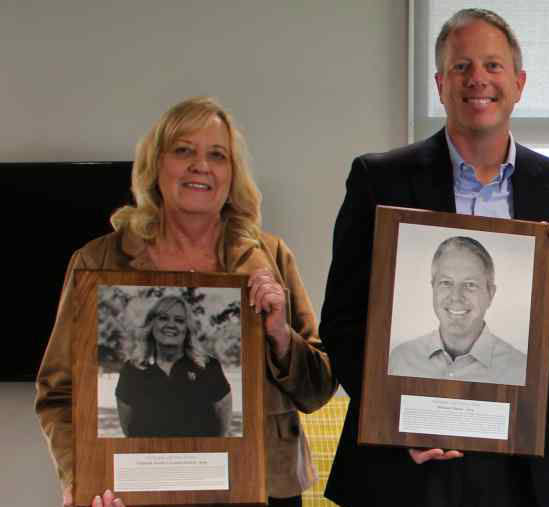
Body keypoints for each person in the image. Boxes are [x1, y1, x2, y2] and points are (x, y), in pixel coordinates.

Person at [319, 8, 549, 507]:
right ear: (440, 84)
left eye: (493, 67)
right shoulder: (379, 179)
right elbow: (342, 322)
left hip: (525, 457)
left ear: (518, 84)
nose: (478, 79)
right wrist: (392, 418)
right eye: (461, 67)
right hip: (407, 453)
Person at [35, 97, 337, 507]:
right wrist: (79, 477)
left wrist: (281, 337)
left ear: (232, 175)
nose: (201, 165)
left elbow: (317, 391)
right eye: (183, 150)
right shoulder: (98, 262)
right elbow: (57, 394)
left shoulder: (271, 257)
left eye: (218, 155)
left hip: (261, 490)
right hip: (133, 494)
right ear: (155, 165)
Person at [387, 236, 527, 385]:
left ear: (490, 294)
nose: (456, 297)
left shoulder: (520, 370)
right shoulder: (399, 361)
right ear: (433, 287)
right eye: (446, 283)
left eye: (470, 284)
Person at [115, 295, 233, 437]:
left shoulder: (209, 368)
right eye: (163, 318)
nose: (171, 325)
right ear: (152, 325)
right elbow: (128, 429)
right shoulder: (132, 370)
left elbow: (222, 429)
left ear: (187, 328)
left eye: (179, 320)